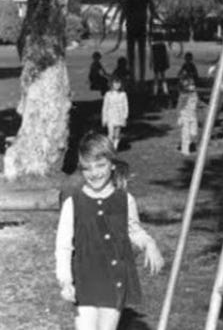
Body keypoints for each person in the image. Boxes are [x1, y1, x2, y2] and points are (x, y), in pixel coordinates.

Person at [55, 132, 164, 329]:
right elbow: (63, 246)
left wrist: (150, 243)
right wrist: (65, 280)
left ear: (112, 164)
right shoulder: (73, 203)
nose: (94, 173)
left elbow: (134, 231)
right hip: (85, 279)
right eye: (87, 168)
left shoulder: (125, 200)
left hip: (114, 279)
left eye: (100, 165)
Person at [122, 0, 157, 87]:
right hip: (131, 25)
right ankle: (132, 77)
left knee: (142, 53)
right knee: (131, 54)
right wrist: (124, 20)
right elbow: (125, 7)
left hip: (141, 25)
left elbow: (151, 5)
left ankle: (141, 79)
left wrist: (154, 16)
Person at [101, 76, 129, 151]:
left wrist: (125, 115)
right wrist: (104, 118)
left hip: (119, 115)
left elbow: (125, 105)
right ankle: (109, 147)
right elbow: (105, 107)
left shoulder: (123, 94)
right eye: (115, 84)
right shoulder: (108, 94)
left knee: (117, 133)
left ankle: (115, 146)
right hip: (111, 115)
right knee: (111, 133)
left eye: (119, 84)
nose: (117, 85)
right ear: (112, 84)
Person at [176, 76, 201, 156]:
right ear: (185, 87)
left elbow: (197, 103)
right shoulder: (183, 96)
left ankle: (189, 142)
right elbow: (179, 107)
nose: (193, 86)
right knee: (185, 133)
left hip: (193, 116)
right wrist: (179, 117)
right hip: (185, 117)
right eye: (191, 85)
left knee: (194, 133)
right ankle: (185, 150)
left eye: (193, 85)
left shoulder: (195, 94)